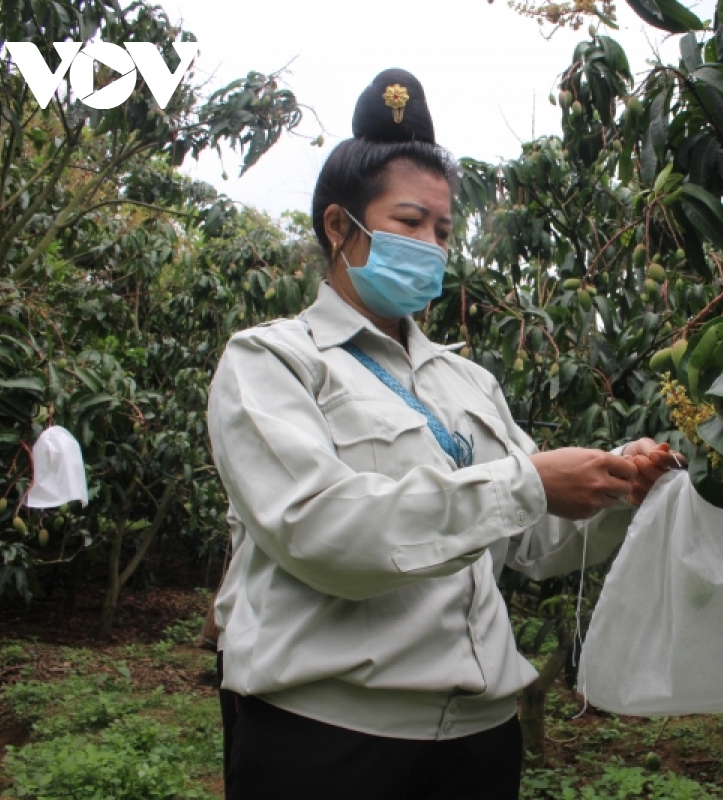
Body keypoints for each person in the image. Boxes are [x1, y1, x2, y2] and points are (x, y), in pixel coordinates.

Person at [206, 68, 682, 800]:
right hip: (326, 741)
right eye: (408, 222)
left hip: (479, 743)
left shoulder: (468, 383)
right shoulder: (273, 362)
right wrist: (527, 482)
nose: (431, 245)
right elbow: (320, 531)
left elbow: (531, 542)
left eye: (444, 229)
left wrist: (620, 487)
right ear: (340, 226)